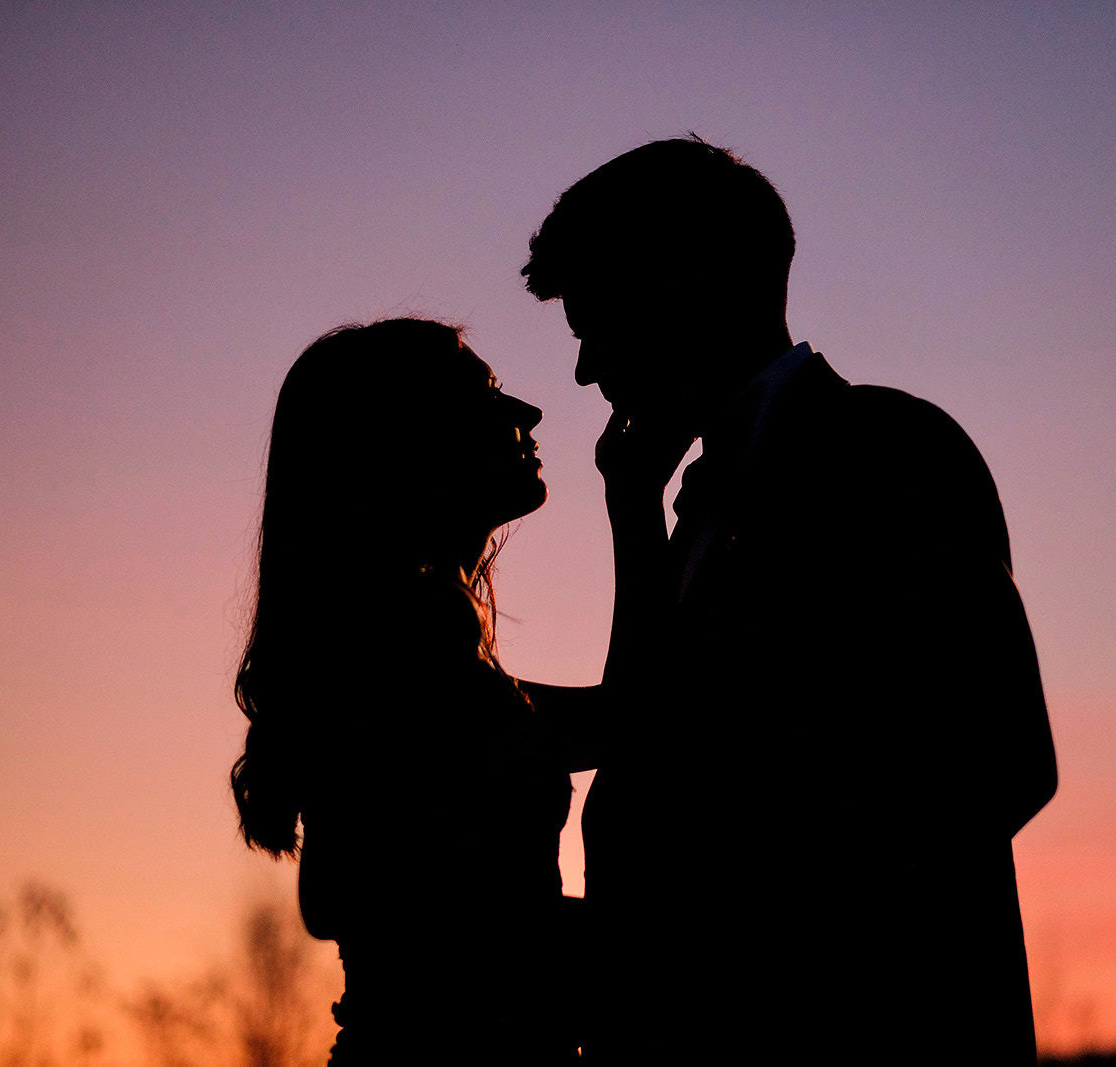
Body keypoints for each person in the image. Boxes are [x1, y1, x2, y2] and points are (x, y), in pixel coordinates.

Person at [522, 137, 1058, 1063]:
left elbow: (996, 758)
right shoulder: (689, 516)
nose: (583, 368)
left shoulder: (888, 447)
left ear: (678, 288)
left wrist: (723, 973)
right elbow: (650, 751)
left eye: (594, 322)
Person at [228, 319, 577, 1063]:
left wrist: (633, 503)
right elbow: (359, 901)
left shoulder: (421, 656)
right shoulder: (395, 654)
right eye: (488, 397)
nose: (529, 414)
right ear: (412, 446)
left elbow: (631, 715)